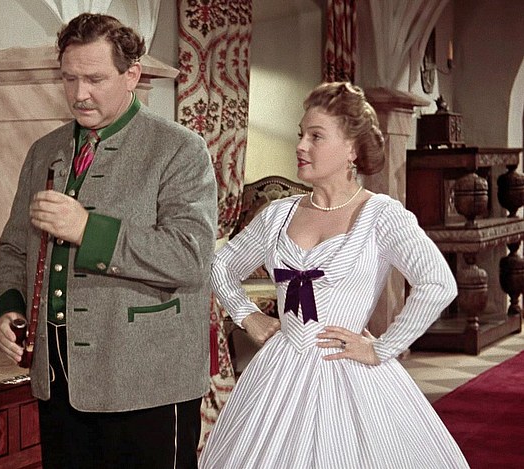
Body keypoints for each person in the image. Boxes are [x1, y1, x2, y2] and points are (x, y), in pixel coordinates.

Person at [199, 82, 468, 468]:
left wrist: (382, 348)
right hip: (279, 370)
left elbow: (438, 283)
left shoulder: (381, 215)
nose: (300, 146)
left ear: (352, 149)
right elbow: (220, 264)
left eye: (316, 136)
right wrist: (248, 316)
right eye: (301, 134)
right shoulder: (278, 215)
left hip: (348, 369)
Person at [0, 13, 217, 469]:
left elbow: (190, 255)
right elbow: (14, 248)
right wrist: (7, 309)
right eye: (69, 78)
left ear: (131, 74)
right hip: (58, 381)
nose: (79, 93)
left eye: (94, 79)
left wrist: (87, 230)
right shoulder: (44, 151)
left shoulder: (179, 148)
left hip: (147, 384)